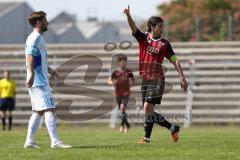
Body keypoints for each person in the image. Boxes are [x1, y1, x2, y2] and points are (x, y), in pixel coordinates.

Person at [123, 6, 188, 144]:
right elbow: (133, 28)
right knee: (149, 112)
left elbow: (174, 60)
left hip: (158, 80)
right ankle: (172, 128)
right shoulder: (143, 38)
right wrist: (128, 16)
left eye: (163, 26)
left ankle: (147, 139)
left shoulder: (165, 44)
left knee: (147, 108)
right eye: (160, 26)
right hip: (145, 79)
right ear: (152, 27)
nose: (162, 28)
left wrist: (182, 77)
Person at [24, 11, 71, 148]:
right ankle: (55, 142)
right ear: (39, 22)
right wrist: (32, 74)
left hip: (37, 79)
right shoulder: (35, 38)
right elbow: (30, 57)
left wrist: (50, 70)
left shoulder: (36, 37)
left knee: (38, 111)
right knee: (50, 108)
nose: (47, 22)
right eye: (45, 20)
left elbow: (39, 58)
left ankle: (29, 141)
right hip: (38, 81)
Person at [108, 54, 134, 133]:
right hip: (118, 93)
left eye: (125, 62)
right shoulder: (115, 72)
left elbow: (132, 81)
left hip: (126, 93)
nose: (123, 63)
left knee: (122, 109)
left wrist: (130, 82)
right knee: (121, 111)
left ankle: (123, 126)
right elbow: (109, 80)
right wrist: (113, 82)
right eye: (122, 62)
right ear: (119, 63)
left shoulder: (128, 72)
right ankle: (126, 125)